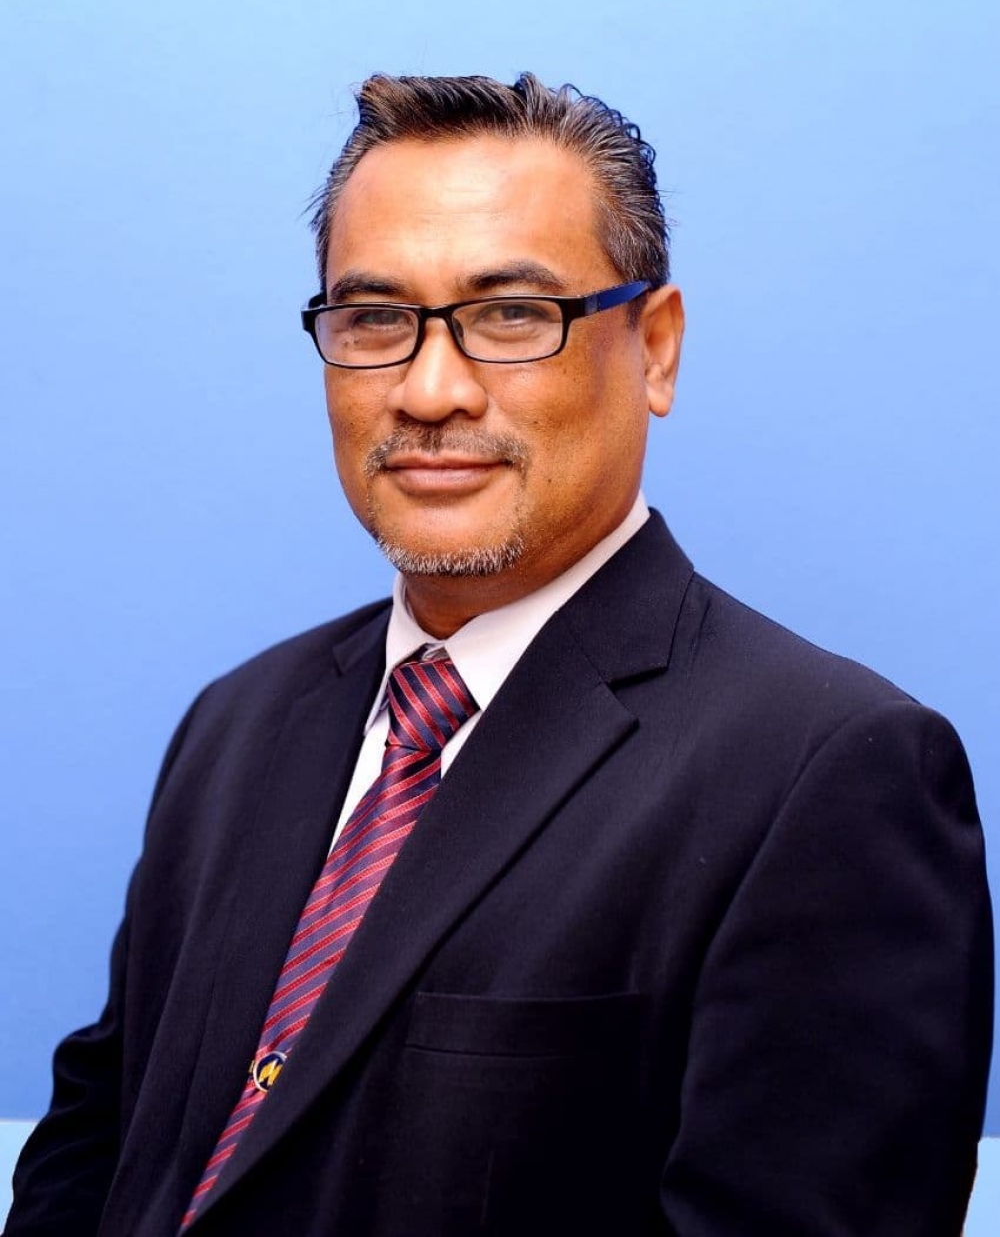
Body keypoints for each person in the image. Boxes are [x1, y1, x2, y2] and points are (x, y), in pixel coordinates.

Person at [6, 73, 992, 1237]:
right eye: (375, 319)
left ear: (656, 348)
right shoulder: (237, 721)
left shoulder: (827, 775)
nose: (429, 390)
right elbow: (99, 1146)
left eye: (513, 314)